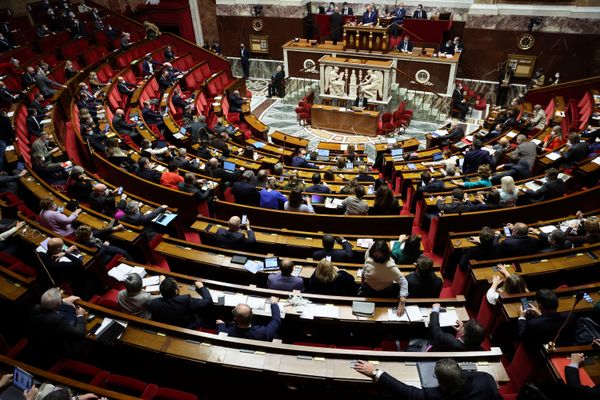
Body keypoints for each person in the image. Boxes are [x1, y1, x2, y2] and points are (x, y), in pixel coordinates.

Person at [353, 358, 502, 399]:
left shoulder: (434, 396)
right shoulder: (486, 379)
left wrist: (375, 372)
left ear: (443, 386)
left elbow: (406, 391)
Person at [27, 288, 87, 367]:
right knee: (86, 339)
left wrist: (63, 301)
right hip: (55, 354)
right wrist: (80, 316)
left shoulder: (35, 308)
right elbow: (79, 333)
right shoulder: (57, 320)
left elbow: (46, 305)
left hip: (37, 347)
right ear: (58, 305)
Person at [360, 240, 408, 315]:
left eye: (380, 257)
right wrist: (362, 282)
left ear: (385, 255)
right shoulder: (369, 254)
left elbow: (403, 282)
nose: (378, 259)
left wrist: (402, 299)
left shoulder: (390, 266)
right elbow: (364, 269)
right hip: (369, 288)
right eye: (376, 256)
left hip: (385, 291)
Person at [148, 277, 213, 329]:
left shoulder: (154, 303)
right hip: (185, 327)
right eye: (178, 286)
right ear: (176, 291)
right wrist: (202, 287)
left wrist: (163, 284)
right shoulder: (185, 300)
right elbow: (208, 302)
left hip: (166, 327)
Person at [217, 296, 281, 341]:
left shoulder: (226, 332)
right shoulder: (263, 332)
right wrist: (274, 303)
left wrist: (221, 324)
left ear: (235, 319)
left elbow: (221, 330)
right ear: (252, 315)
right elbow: (276, 320)